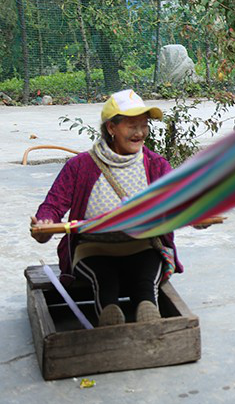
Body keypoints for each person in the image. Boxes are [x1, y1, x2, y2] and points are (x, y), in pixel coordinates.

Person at [31, 89, 182, 327]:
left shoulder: (156, 165)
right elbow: (53, 206)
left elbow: (180, 200)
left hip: (142, 245)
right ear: (111, 127)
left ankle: (149, 315)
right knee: (104, 280)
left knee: (146, 280)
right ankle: (110, 319)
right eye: (132, 126)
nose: (140, 132)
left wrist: (198, 215)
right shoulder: (80, 166)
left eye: (144, 125)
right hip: (93, 248)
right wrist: (44, 224)